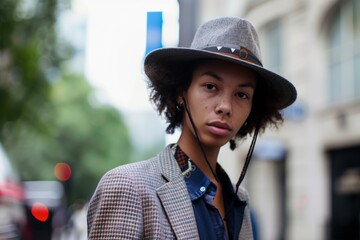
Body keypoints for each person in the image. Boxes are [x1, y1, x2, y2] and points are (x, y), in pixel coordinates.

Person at [87, 16, 296, 239]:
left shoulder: (238, 200)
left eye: (242, 94)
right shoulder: (128, 187)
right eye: (210, 86)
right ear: (180, 92)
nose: (225, 107)